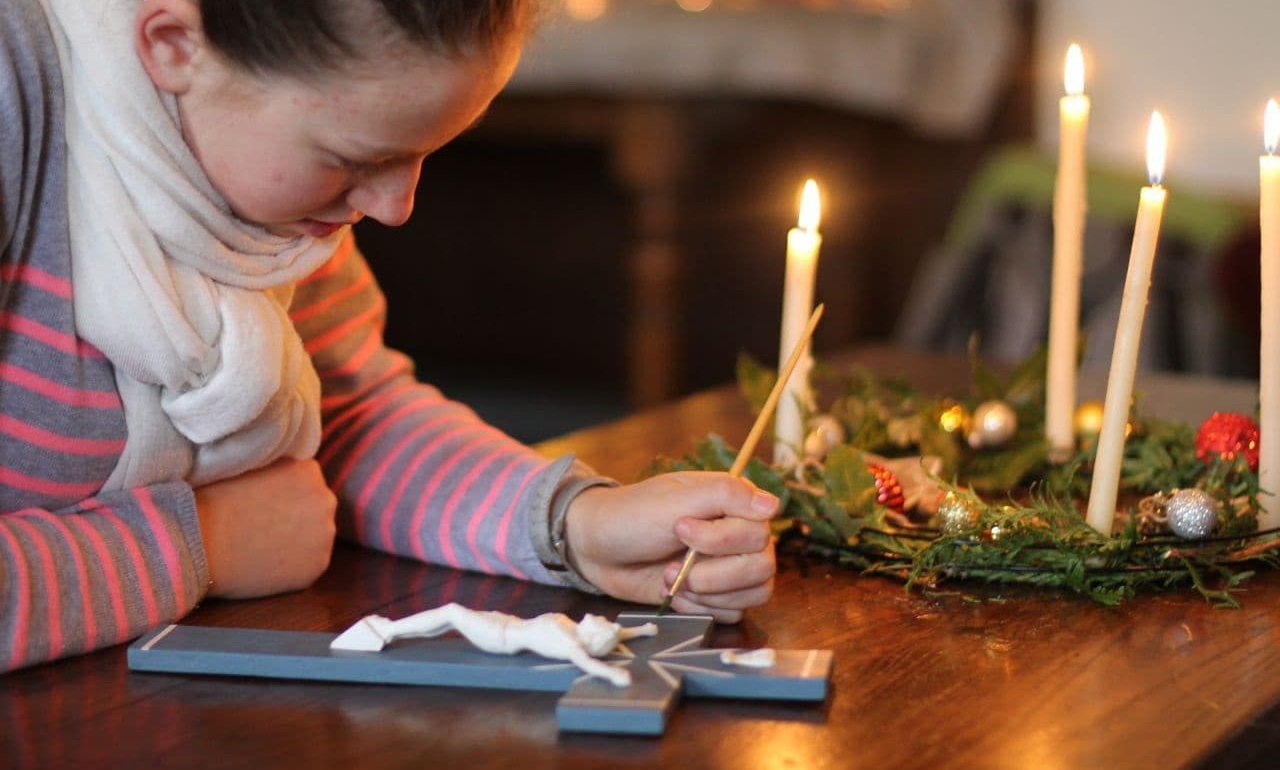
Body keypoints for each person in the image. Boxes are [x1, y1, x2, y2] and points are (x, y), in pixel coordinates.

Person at [0, 0, 780, 672]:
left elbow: (350, 411)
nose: (395, 207)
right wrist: (200, 544)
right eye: (354, 158)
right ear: (172, 46)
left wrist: (574, 525)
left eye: (423, 155)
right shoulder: (16, 101)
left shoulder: (268, 194)